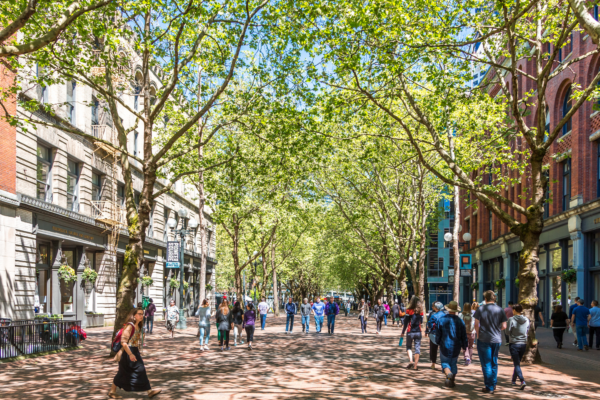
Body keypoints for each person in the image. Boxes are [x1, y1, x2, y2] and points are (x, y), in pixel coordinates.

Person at [109, 308, 161, 398]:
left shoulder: (139, 326)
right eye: (139, 314)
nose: (141, 316)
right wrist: (130, 354)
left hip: (134, 350)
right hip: (127, 352)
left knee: (139, 370)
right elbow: (123, 342)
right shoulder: (129, 326)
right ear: (134, 315)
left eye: (142, 314)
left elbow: (136, 340)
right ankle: (112, 392)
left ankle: (149, 391)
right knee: (123, 372)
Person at [474, 290, 508, 394]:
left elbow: (476, 324)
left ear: (485, 299)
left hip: (484, 339)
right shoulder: (500, 310)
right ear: (494, 299)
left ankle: (489, 387)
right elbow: (504, 326)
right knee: (494, 362)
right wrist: (497, 330)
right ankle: (493, 383)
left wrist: (478, 335)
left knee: (486, 363)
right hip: (496, 339)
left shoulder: (480, 309)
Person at [436, 301, 467, 389]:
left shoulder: (441, 319)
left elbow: (438, 334)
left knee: (445, 363)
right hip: (456, 346)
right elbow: (463, 335)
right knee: (453, 363)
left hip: (444, 345)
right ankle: (452, 381)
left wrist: (438, 342)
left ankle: (448, 374)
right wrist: (465, 346)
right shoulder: (460, 321)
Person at [505, 303, 529, 390]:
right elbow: (528, 329)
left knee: (516, 363)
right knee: (517, 362)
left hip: (514, 343)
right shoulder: (526, 319)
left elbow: (507, 332)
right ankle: (513, 380)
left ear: (514, 310)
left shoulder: (511, 319)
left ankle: (522, 381)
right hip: (523, 343)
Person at [400, 296, 424, 370]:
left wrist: (403, 332)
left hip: (410, 331)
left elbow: (406, 323)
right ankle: (415, 366)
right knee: (417, 349)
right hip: (418, 332)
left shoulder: (408, 311)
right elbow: (422, 322)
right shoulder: (421, 311)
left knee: (408, 347)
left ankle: (411, 360)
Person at [425, 301, 446, 370]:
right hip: (443, 334)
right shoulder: (445, 315)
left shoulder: (433, 315)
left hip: (434, 334)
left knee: (433, 349)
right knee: (443, 350)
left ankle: (433, 363)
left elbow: (429, 325)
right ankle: (444, 364)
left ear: (436, 308)